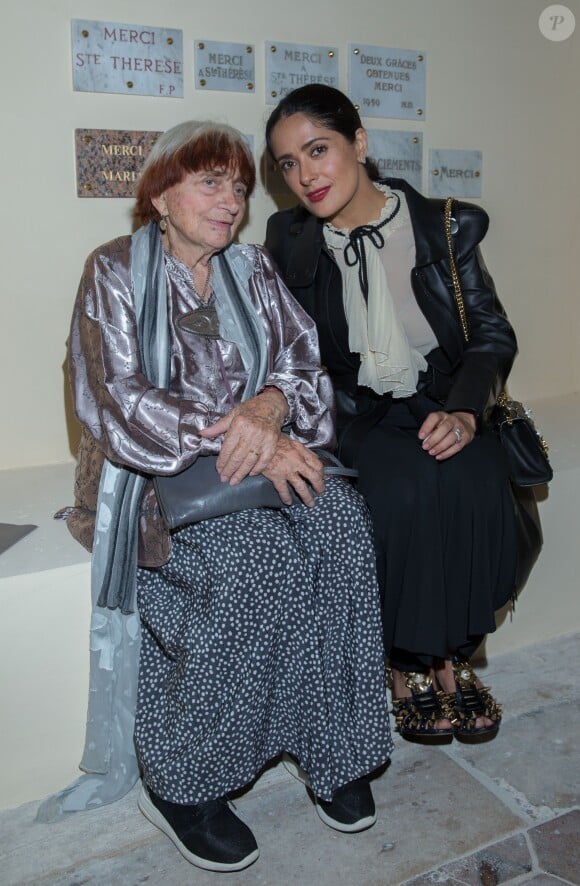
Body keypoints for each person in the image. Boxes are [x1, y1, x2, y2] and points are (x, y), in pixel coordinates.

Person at [38, 121, 393, 873]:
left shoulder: (252, 269)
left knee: (342, 529)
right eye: (211, 183)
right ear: (162, 193)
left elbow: (303, 364)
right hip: (152, 471)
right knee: (252, 564)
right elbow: (114, 398)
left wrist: (268, 413)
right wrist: (238, 425)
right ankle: (184, 782)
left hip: (252, 459)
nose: (231, 200)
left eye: (238, 186)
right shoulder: (112, 270)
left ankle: (333, 747)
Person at [265, 85, 519, 746]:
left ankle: (450, 655)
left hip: (444, 394)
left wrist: (465, 412)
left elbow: (492, 336)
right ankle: (408, 668)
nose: (305, 175)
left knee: (473, 481)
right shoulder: (290, 240)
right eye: (288, 164)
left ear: (360, 144)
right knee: (401, 493)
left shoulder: (444, 224)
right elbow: (286, 347)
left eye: (317, 150)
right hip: (358, 409)